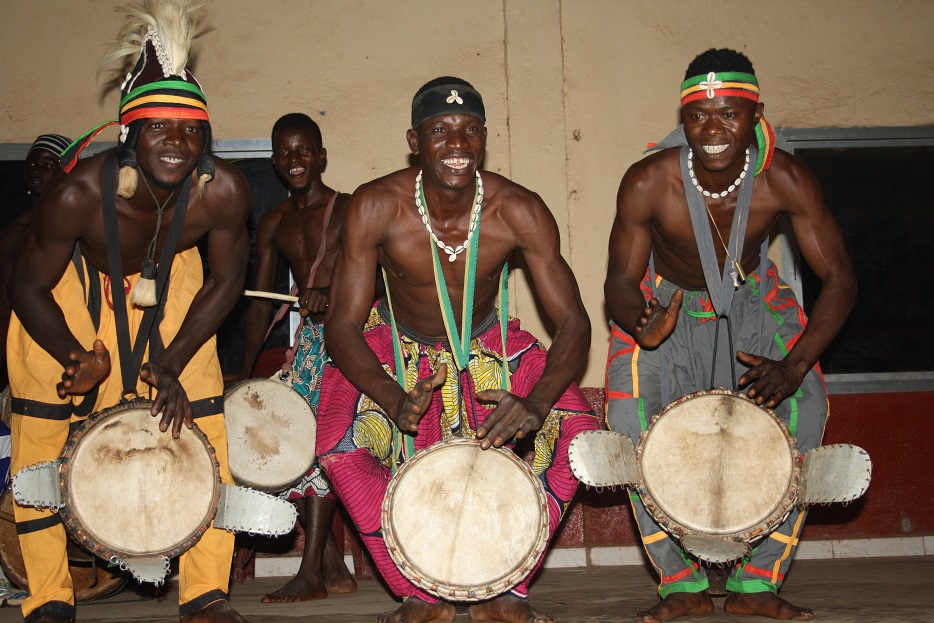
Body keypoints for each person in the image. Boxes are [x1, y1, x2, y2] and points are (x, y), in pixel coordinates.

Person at [318, 76, 601, 623]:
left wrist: (537, 403)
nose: (457, 144)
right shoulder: (377, 206)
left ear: (485, 138)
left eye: (470, 130)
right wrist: (391, 395)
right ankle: (419, 595)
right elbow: (343, 326)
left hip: (487, 345)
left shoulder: (518, 210)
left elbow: (573, 321)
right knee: (338, 441)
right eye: (440, 131)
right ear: (414, 140)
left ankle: (506, 589)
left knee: (579, 437)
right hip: (399, 352)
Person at [6, 2, 253, 622]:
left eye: (191, 130)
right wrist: (74, 357)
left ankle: (205, 594)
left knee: (205, 433)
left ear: (207, 137)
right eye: (159, 128)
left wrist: (170, 361)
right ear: (129, 133)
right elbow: (27, 286)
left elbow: (227, 280)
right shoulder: (78, 193)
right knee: (39, 436)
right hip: (70, 295)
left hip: (178, 290)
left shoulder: (220, 191)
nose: (177, 142)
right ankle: (48, 598)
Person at [604, 48, 856, 622]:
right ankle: (680, 584)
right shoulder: (649, 181)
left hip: (749, 298)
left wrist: (793, 366)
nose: (713, 130)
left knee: (805, 411)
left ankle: (757, 582)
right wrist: (642, 323)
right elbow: (618, 279)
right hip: (663, 301)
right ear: (684, 119)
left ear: (755, 114)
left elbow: (840, 278)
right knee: (628, 426)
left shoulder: (785, 180)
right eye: (699, 117)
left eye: (729, 114)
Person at [229, 112, 357, 602]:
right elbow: (262, 299)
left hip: (351, 337)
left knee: (321, 444)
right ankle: (331, 569)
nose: (295, 159)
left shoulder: (349, 209)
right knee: (296, 443)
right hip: (309, 343)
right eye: (285, 152)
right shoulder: (274, 221)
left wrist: (333, 289)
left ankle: (312, 574)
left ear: (321, 156)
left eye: (304, 150)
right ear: (276, 163)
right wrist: (247, 362)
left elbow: (375, 274)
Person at [0, 134, 72, 382]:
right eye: (31, 163)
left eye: (48, 164)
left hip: (59, 348)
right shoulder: (13, 234)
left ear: (66, 172)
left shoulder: (77, 230)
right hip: (15, 352)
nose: (36, 170)